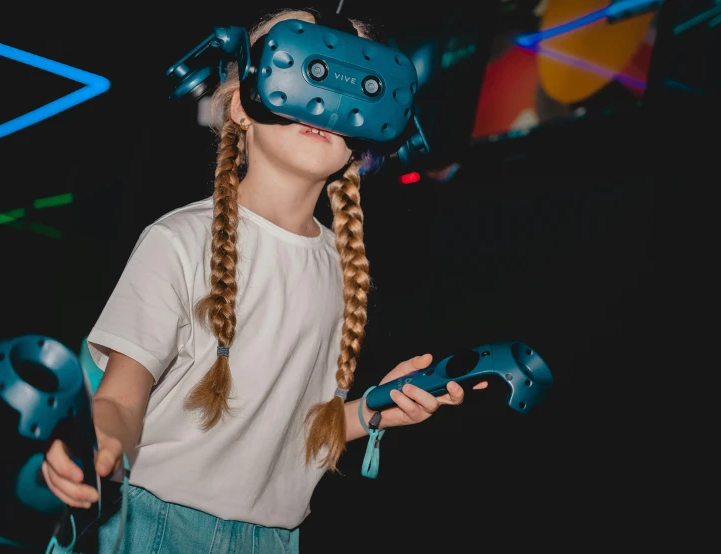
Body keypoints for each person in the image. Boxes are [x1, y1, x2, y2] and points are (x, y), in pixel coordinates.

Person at [41, 7, 488, 553]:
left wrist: (373, 409)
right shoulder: (179, 241)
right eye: (301, 66)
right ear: (242, 106)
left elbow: (294, 437)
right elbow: (123, 396)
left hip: (274, 540)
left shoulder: (343, 269)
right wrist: (98, 443)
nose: (324, 98)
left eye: (355, 82)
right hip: (151, 525)